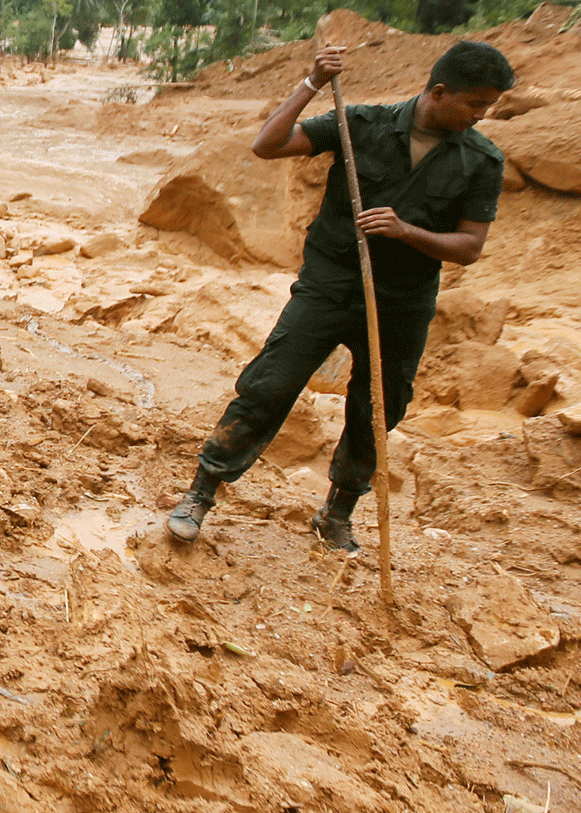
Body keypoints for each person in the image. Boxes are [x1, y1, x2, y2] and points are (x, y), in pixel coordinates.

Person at [165, 38, 515, 553]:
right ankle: (200, 494)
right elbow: (267, 144)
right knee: (271, 383)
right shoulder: (362, 124)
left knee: (379, 407)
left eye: (488, 106)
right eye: (475, 104)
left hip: (403, 299)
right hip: (329, 285)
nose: (482, 115)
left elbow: (470, 247)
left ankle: (337, 514)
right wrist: (311, 83)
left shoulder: (481, 161)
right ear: (439, 92)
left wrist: (406, 232)